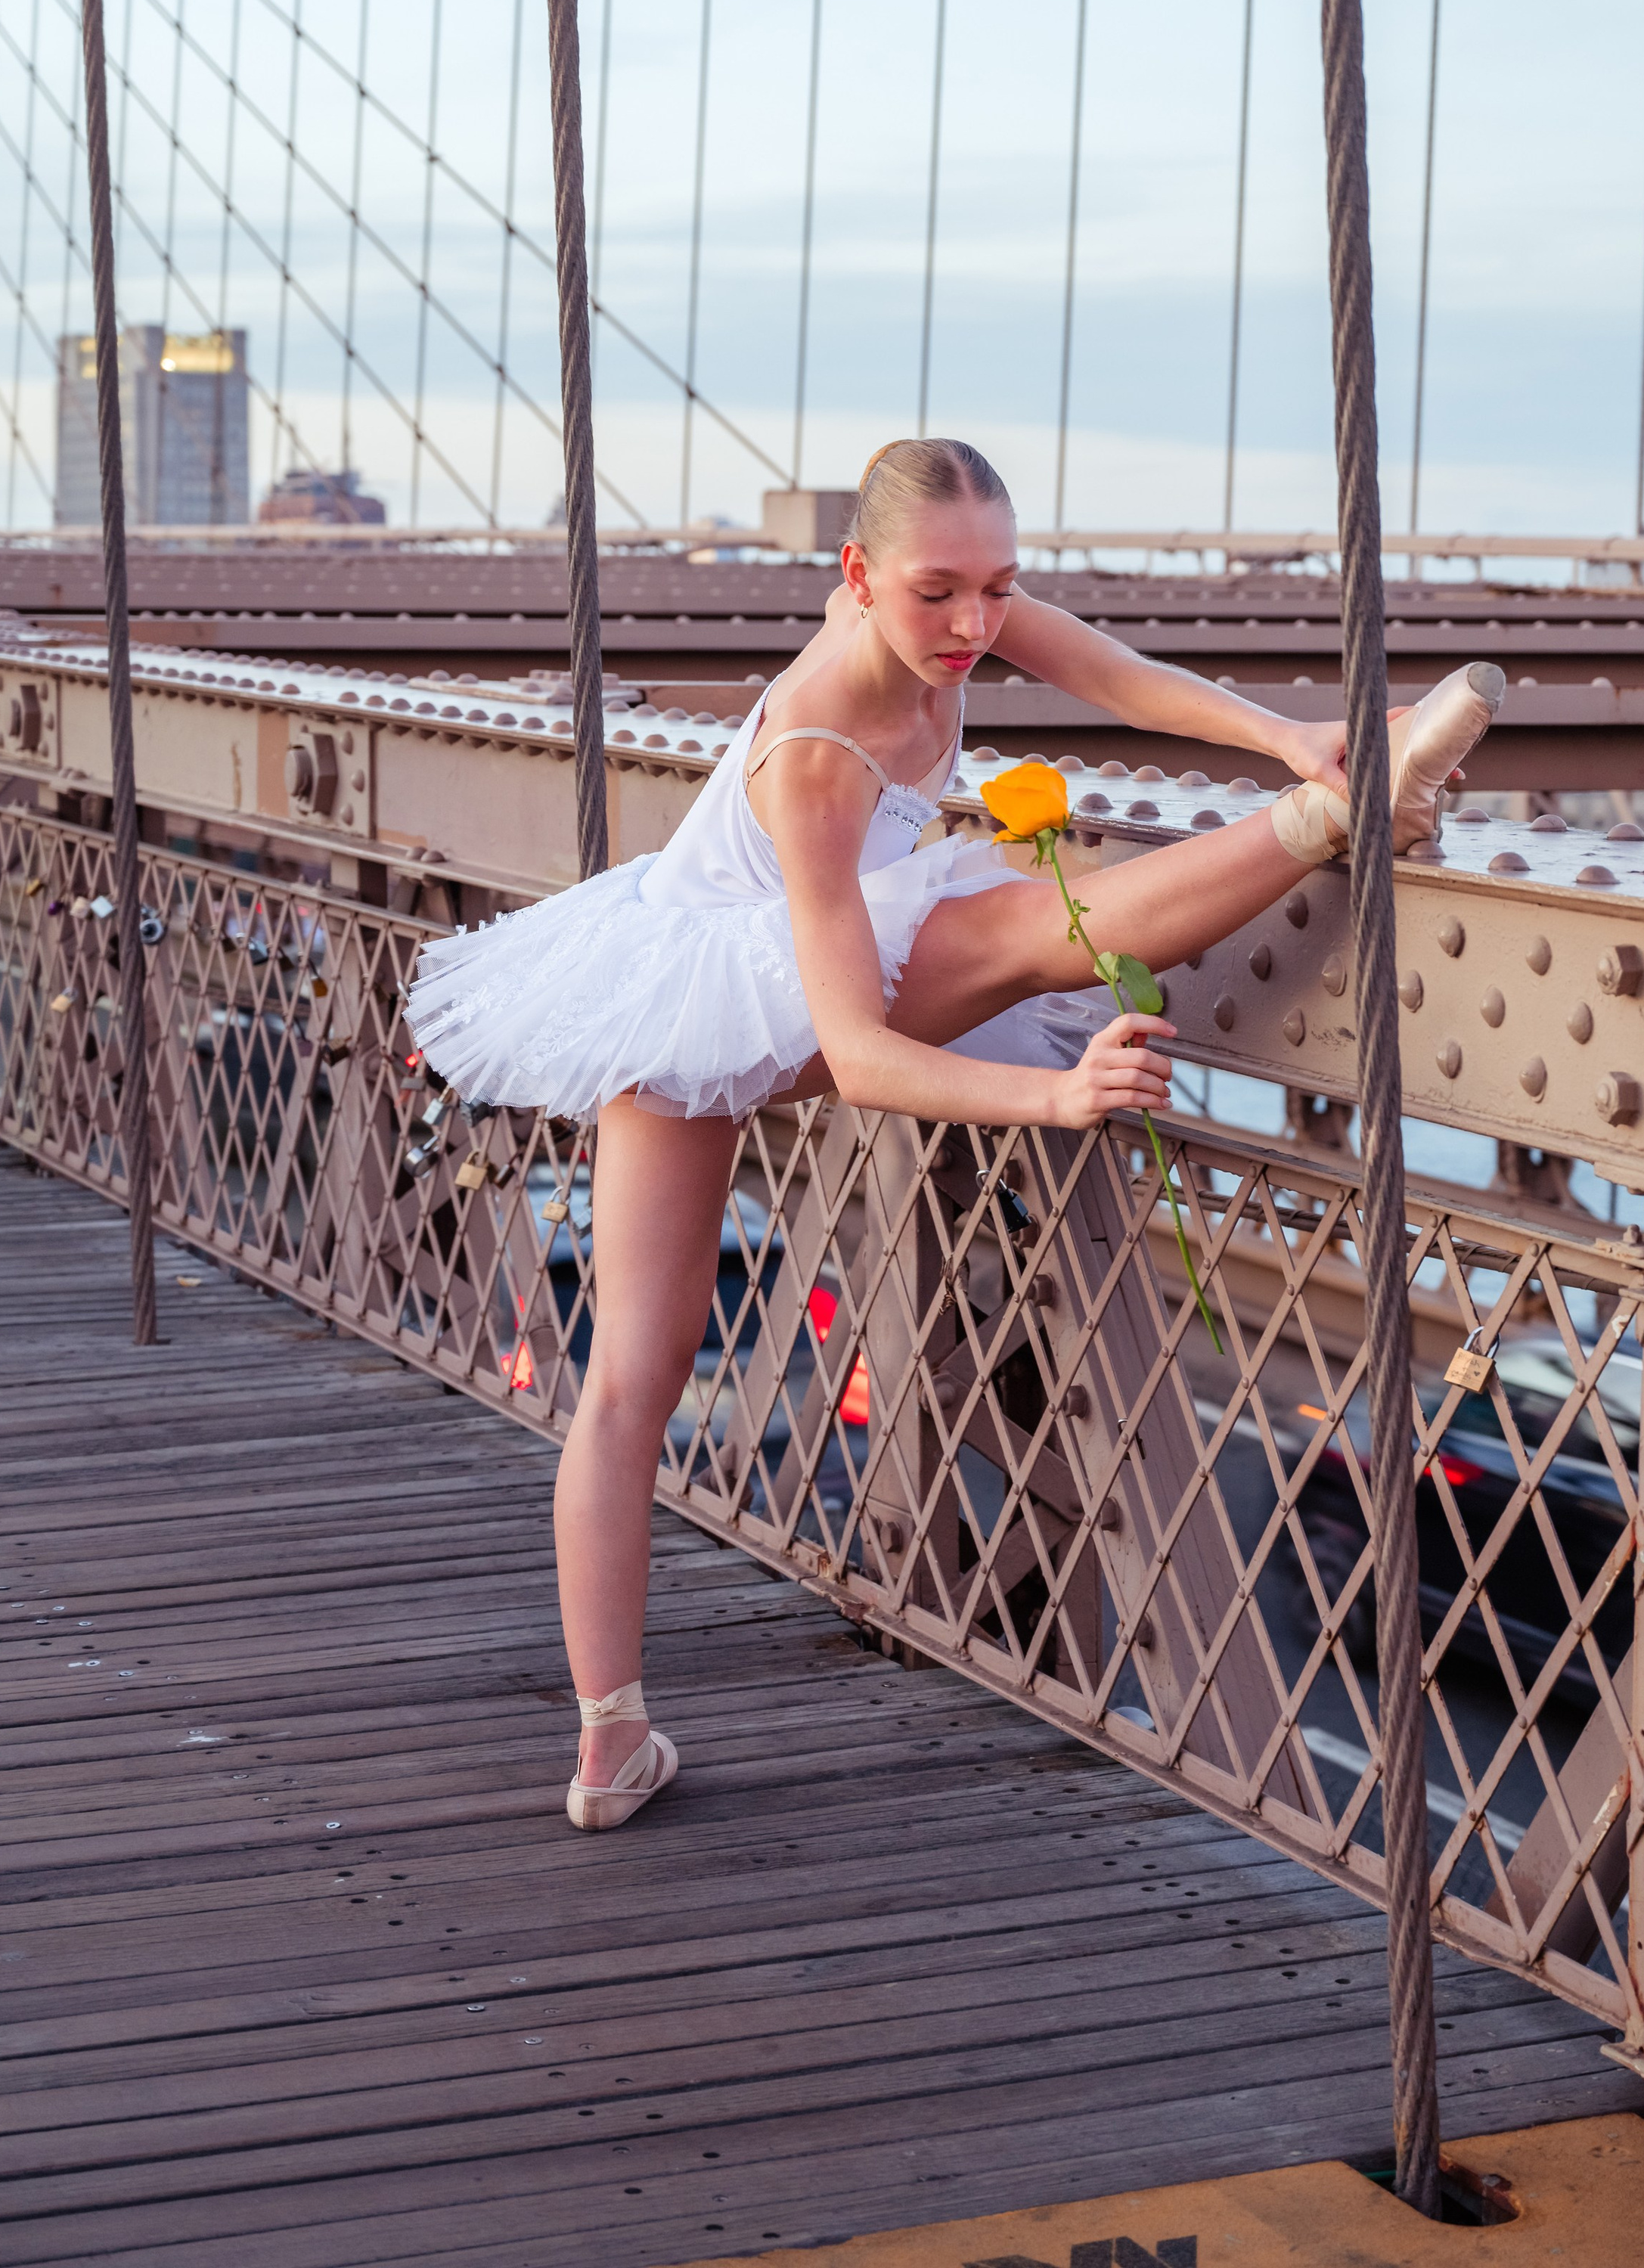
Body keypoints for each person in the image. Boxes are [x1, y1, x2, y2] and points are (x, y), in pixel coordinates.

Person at [408, 439, 1502, 1832]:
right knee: (632, 1380)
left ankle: (1319, 788)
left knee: (996, 931)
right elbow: (858, 1054)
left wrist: (1280, 728)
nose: (977, 627)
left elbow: (1110, 674)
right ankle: (606, 1735)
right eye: (940, 595)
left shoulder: (958, 618)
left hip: (803, 948)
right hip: (710, 993)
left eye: (1001, 585)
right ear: (856, 580)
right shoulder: (817, 755)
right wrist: (1053, 1097)